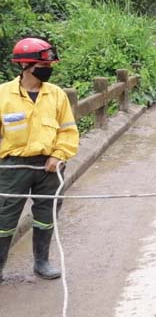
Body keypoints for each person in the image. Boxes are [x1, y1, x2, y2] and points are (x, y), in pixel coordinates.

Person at [0, 38, 79, 281]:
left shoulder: (56, 95)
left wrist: (59, 154)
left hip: (49, 167)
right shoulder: (3, 95)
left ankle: (42, 262)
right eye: (42, 65)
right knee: (4, 218)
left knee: (47, 213)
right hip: (12, 167)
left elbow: (68, 130)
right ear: (25, 66)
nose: (48, 69)